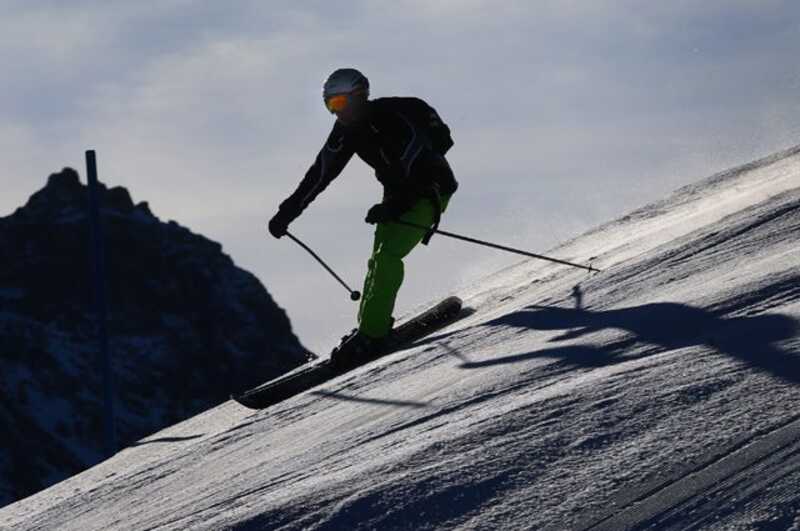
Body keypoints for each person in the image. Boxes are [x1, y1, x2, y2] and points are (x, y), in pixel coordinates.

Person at [268, 68, 458, 365]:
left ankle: (372, 333)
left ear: (359, 97)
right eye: (331, 106)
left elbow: (414, 154)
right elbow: (320, 173)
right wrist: (286, 212)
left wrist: (398, 201)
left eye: (341, 104)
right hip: (395, 197)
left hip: (430, 190)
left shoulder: (392, 115)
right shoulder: (346, 132)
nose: (337, 113)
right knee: (377, 259)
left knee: (387, 258)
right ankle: (368, 329)